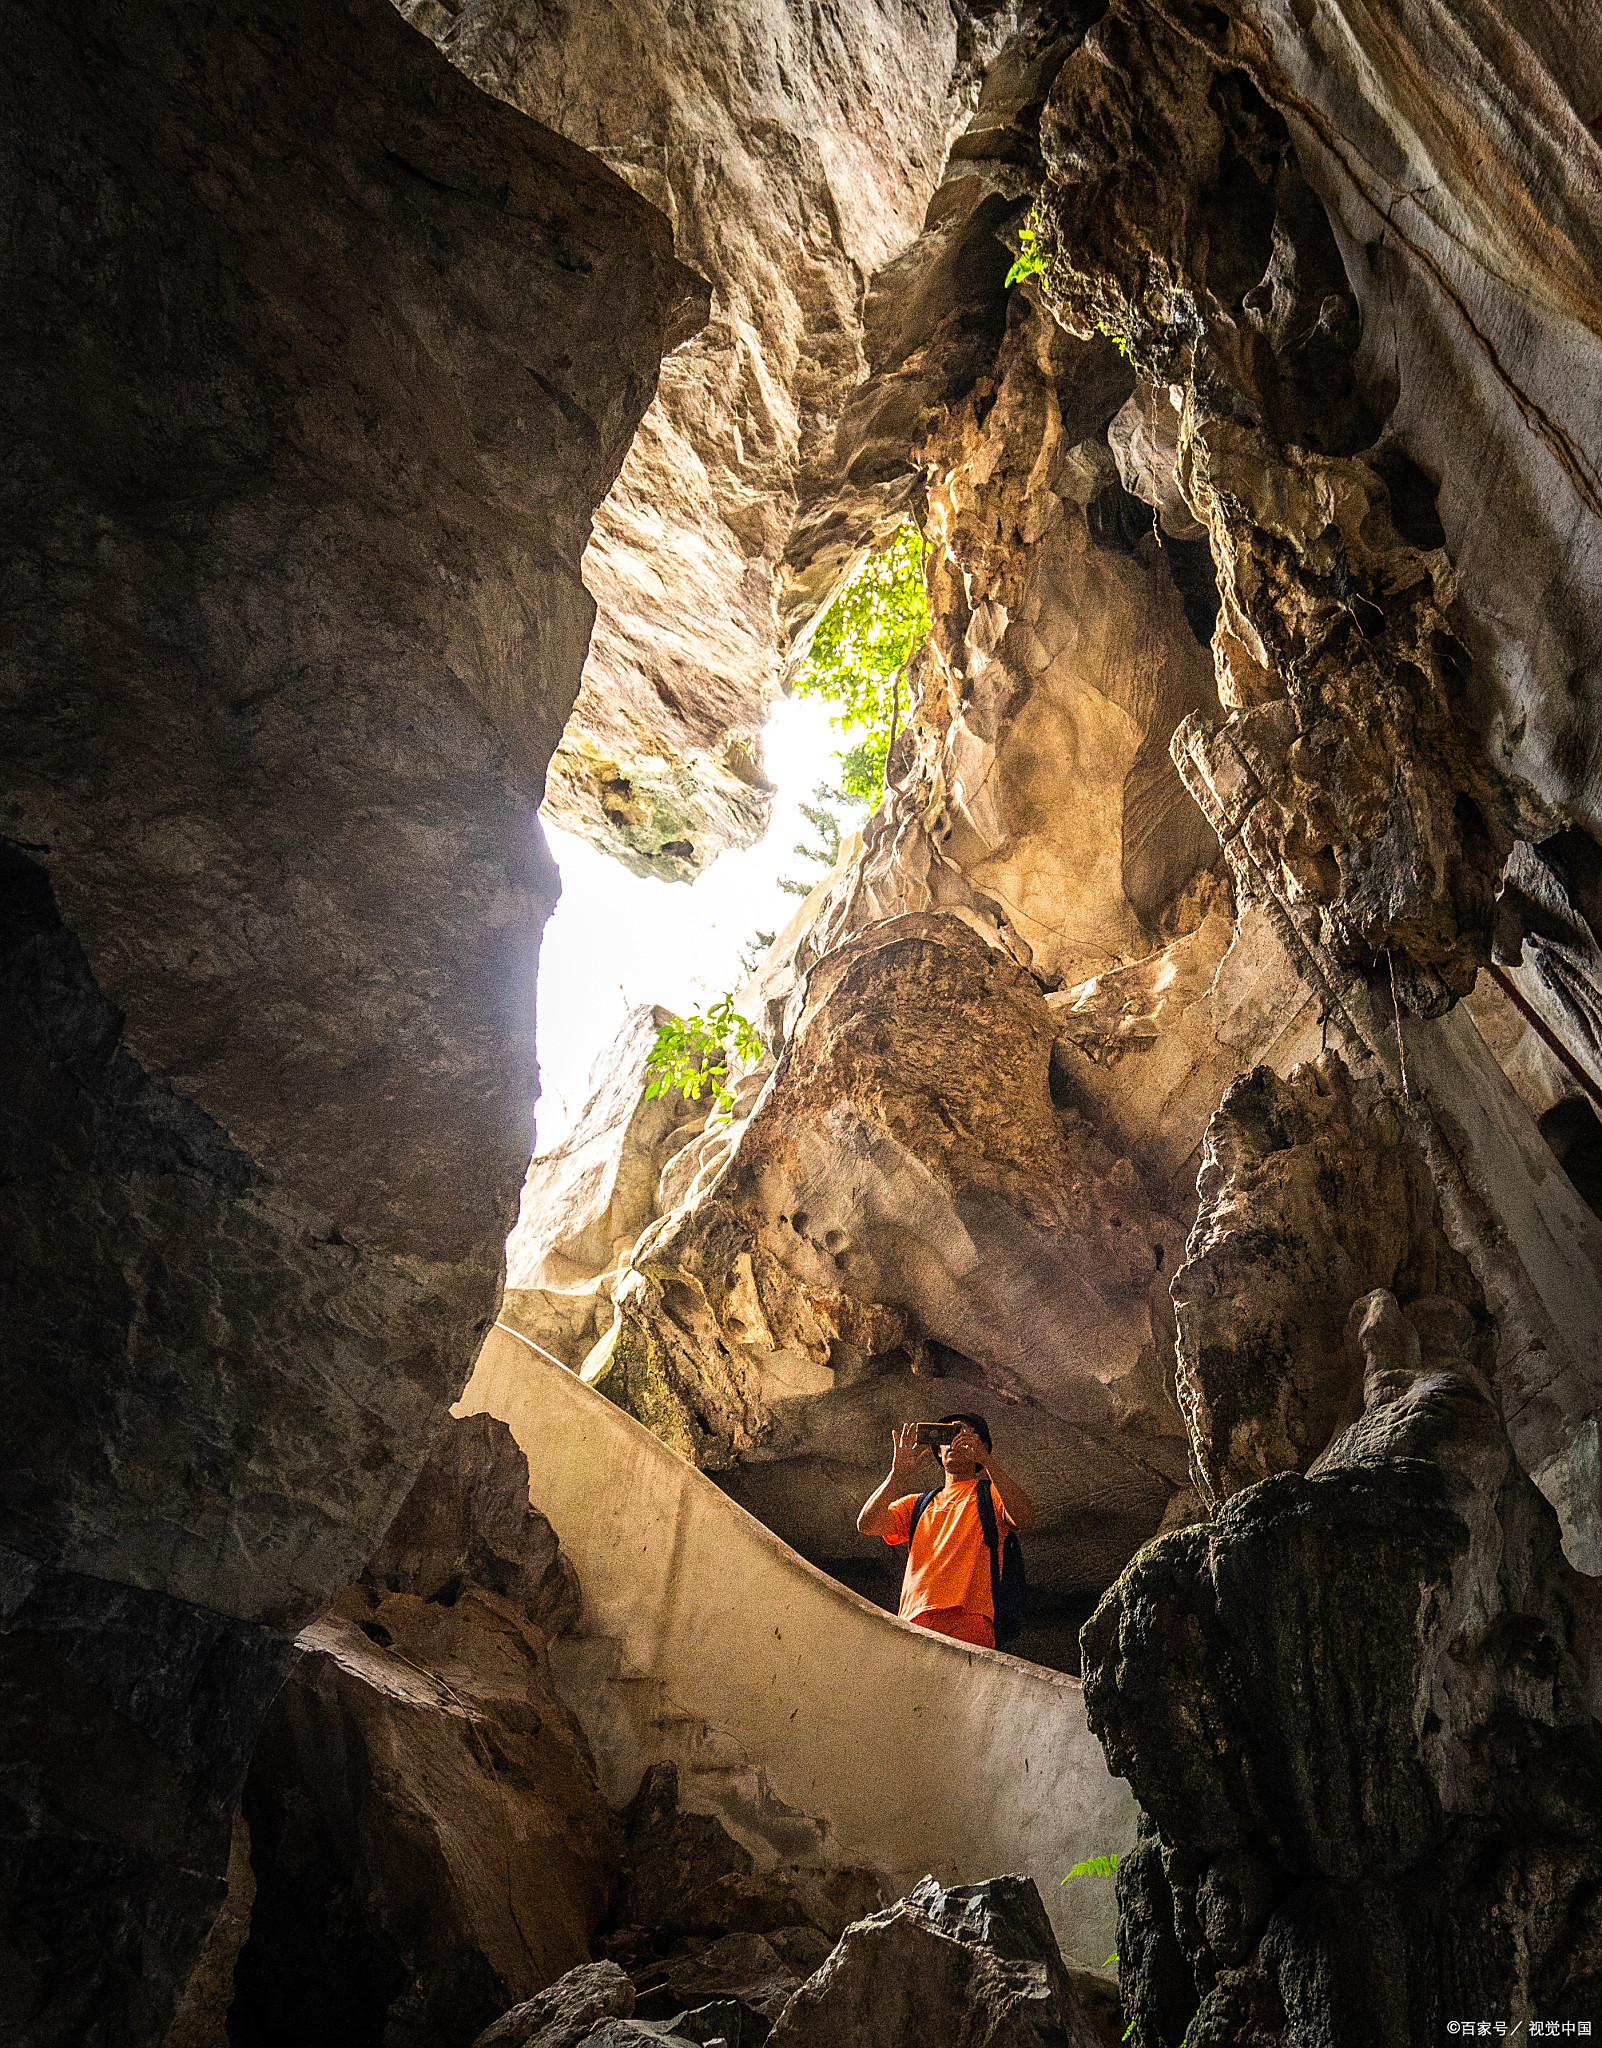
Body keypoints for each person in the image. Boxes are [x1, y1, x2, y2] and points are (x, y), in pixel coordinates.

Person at [856, 1411, 1035, 1649]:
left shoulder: (991, 1495)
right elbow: (867, 1524)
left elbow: (1024, 1517)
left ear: (981, 1444)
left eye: (961, 1433)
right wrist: (897, 1475)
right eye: (946, 1436)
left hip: (971, 1621)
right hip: (913, 1619)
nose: (952, 1441)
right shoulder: (917, 1504)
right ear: (938, 1451)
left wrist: (986, 1460)